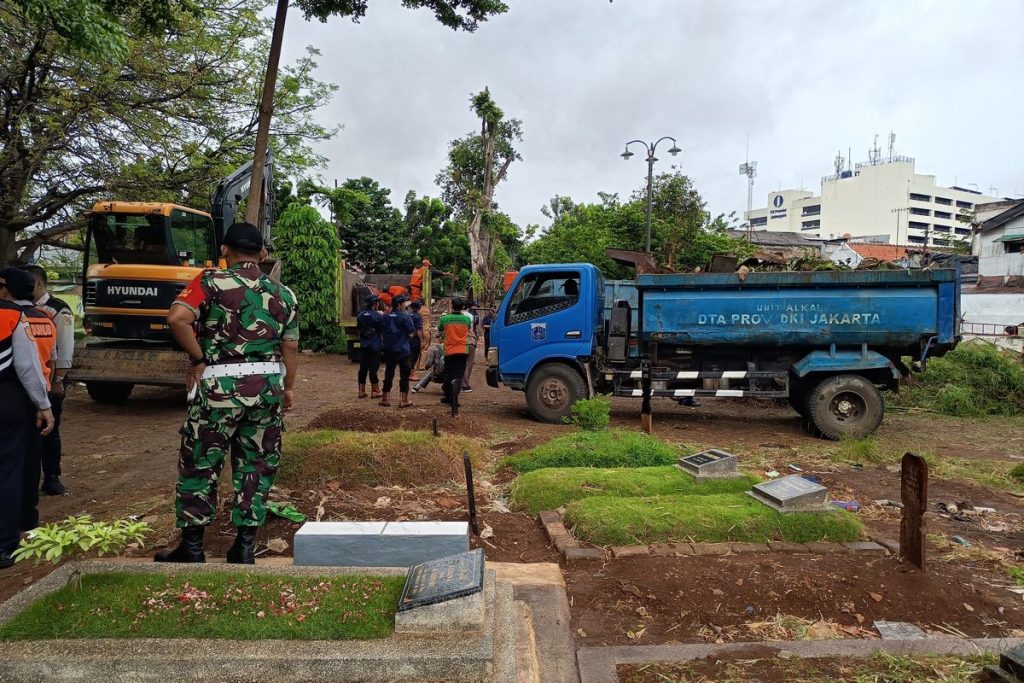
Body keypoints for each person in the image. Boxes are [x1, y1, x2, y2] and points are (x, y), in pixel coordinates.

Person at [155, 222, 299, 564]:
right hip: (267, 390)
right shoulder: (284, 294)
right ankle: (244, 548)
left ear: (224, 251)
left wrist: (198, 358)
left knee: (201, 464)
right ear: (262, 254)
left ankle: (192, 549)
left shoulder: (209, 282)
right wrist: (288, 388)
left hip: (219, 387)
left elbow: (177, 319)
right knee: (257, 465)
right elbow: (290, 347)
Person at [0, 268, 54, 569]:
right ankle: (4, 544)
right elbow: (28, 367)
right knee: (8, 471)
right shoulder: (17, 319)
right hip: (8, 401)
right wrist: (43, 405)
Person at [23, 265, 74, 495]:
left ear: (40, 284)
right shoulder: (21, 307)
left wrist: (58, 380)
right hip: (28, 380)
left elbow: (63, 348)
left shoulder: (57, 310)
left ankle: (52, 476)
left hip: (50, 380)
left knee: (50, 431)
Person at [379, 294, 414, 408]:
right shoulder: (405, 317)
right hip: (403, 350)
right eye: (403, 303)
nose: (404, 305)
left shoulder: (385, 316)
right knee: (404, 375)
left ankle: (385, 398)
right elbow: (411, 333)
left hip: (389, 350)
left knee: (389, 373)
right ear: (399, 304)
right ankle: (403, 400)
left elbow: (381, 332)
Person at [438, 296, 473, 406]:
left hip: (449, 351)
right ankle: (454, 399)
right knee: (458, 376)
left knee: (448, 374)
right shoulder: (467, 319)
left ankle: (448, 397)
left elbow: (440, 329)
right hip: (463, 350)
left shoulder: (444, 319)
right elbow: (468, 328)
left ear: (452, 306)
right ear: (462, 307)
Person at [356, 295, 384, 399]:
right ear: (375, 304)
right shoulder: (378, 316)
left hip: (364, 345)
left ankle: (361, 390)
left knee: (363, 368)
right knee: (373, 368)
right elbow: (382, 331)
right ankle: (375, 390)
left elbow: (358, 330)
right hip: (375, 346)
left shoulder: (360, 315)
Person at [462, 305, 480, 392]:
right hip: (470, 341)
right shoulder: (470, 316)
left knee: (461, 364)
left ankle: (460, 384)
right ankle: (464, 384)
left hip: (460, 343)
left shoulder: (451, 317)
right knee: (468, 364)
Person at [408, 300, 425, 377]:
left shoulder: (407, 315)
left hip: (408, 339)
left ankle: (410, 372)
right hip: (415, 339)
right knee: (414, 356)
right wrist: (421, 341)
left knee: (409, 356)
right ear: (419, 307)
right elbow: (418, 330)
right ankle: (411, 374)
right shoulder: (418, 316)